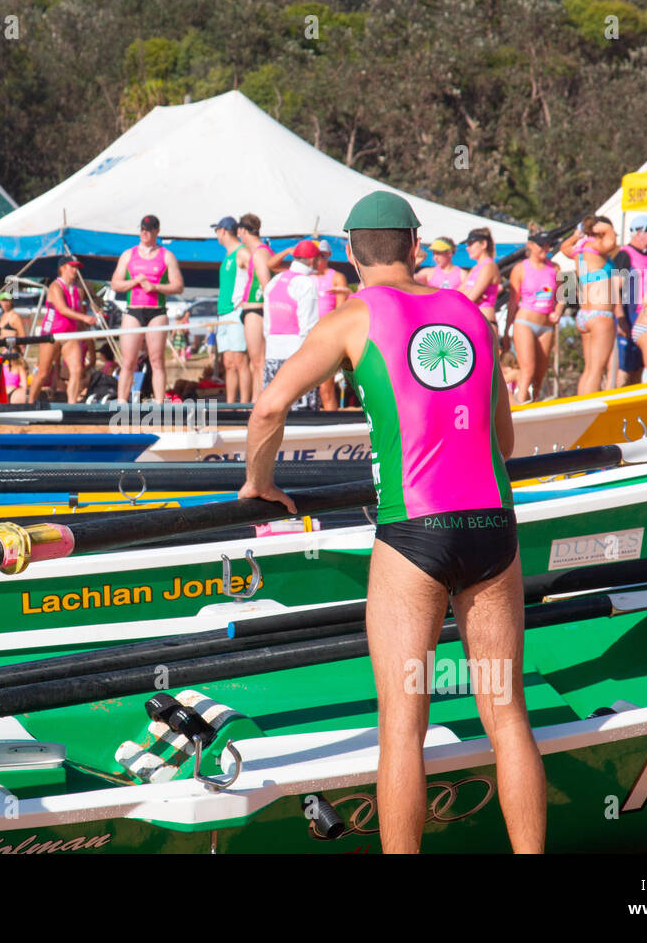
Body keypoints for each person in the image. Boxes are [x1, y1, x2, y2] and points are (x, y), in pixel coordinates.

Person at [238, 191, 545, 853]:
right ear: (414, 245)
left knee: (403, 726)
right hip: (492, 528)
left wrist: (258, 484)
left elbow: (267, 411)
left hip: (414, 536)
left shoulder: (352, 320)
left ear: (350, 254)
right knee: (507, 714)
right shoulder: (469, 312)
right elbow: (504, 442)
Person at [110, 215, 184, 401]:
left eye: (149, 229)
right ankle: (121, 402)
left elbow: (178, 286)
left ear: (157, 231)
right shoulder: (128, 254)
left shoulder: (166, 255)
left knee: (157, 360)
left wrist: (155, 287)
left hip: (156, 311)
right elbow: (115, 284)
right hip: (134, 309)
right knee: (128, 361)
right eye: (142, 228)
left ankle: (159, 403)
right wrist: (134, 281)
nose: (144, 232)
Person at [559, 215, 618, 395]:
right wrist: (604, 227)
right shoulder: (595, 247)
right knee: (596, 371)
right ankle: (589, 410)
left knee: (589, 370)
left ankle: (581, 407)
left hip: (585, 315)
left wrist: (578, 235)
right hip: (600, 314)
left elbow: (564, 247)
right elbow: (611, 242)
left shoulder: (580, 249)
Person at [260, 240, 321, 409]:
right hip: (296, 356)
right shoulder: (306, 284)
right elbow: (308, 326)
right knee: (304, 417)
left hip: (272, 355)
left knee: (274, 411)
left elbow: (267, 325)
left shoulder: (274, 281)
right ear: (312, 260)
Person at [31, 257, 98, 400]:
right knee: (43, 372)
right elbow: (62, 309)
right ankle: (29, 402)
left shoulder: (78, 289)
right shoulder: (55, 286)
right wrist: (84, 318)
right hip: (52, 332)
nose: (75, 270)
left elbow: (78, 312)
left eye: (76, 267)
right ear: (62, 268)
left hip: (69, 333)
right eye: (72, 267)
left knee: (77, 370)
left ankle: (71, 406)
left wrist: (83, 331)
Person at [506, 230, 559, 403]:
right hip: (524, 322)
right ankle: (519, 406)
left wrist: (559, 310)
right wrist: (507, 328)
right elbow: (513, 301)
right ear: (530, 245)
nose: (545, 248)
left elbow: (567, 293)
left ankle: (533, 404)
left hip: (546, 325)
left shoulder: (555, 268)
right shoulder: (520, 268)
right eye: (541, 245)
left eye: (547, 244)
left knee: (540, 374)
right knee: (528, 369)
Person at [609, 214, 647, 387]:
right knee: (624, 369)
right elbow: (614, 289)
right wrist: (620, 319)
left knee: (639, 367)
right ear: (637, 233)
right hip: (628, 316)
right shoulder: (624, 255)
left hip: (644, 318)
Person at [212, 216, 251, 402]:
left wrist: (246, 300)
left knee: (240, 361)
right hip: (224, 313)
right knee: (228, 363)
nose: (216, 235)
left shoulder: (242, 252)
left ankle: (244, 404)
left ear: (223, 231)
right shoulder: (228, 254)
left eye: (216, 231)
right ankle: (229, 404)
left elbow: (258, 274)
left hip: (236, 314)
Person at [234, 213, 273, 399]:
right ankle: (255, 402)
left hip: (256, 310)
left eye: (239, 232)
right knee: (254, 363)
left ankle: (258, 404)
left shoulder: (259, 253)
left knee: (259, 362)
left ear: (242, 230)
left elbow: (267, 285)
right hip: (252, 309)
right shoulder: (260, 251)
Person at [313, 241, 350, 409]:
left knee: (325, 388)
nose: (317, 259)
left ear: (328, 256)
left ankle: (333, 423)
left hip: (325, 338)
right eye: (314, 255)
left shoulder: (336, 277)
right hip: (306, 337)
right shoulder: (306, 277)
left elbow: (340, 313)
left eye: (321, 255)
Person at [460, 228, 501, 334]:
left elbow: (470, 298)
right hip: (473, 322)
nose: (467, 248)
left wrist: (468, 295)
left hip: (485, 322)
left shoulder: (489, 266)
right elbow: (458, 293)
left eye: (470, 244)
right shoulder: (475, 268)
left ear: (483, 244)